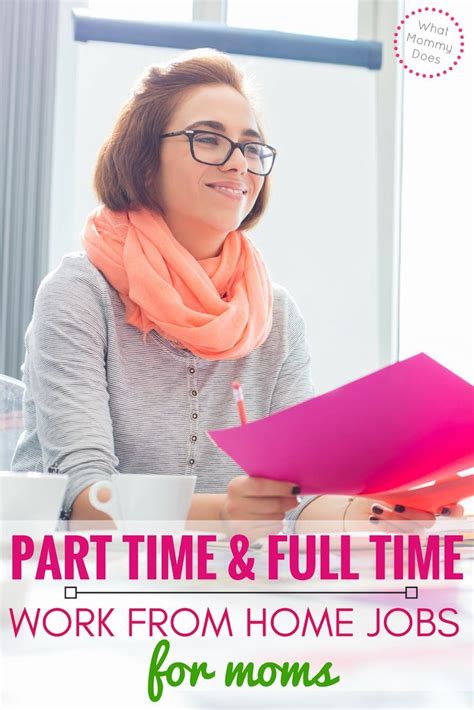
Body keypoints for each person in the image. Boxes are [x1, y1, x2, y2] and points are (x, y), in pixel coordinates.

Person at [11, 49, 462, 538]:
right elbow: (81, 498)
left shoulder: (275, 315)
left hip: (227, 592)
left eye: (250, 148)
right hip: (86, 592)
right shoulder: (80, 295)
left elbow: (298, 502)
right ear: (143, 163)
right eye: (207, 139)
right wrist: (228, 512)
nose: (237, 164)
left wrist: (387, 513)